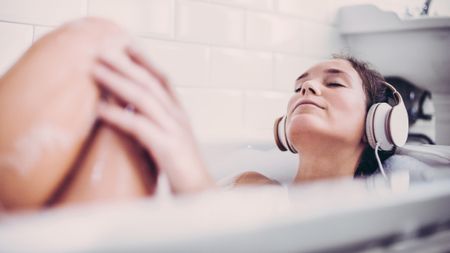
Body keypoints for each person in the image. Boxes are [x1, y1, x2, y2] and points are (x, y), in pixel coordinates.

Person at [0, 17, 405, 212]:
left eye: (334, 83)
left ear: (377, 122)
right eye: (299, 85)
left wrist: (190, 174)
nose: (307, 89)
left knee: (97, 38)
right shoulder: (254, 185)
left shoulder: (382, 215)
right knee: (116, 117)